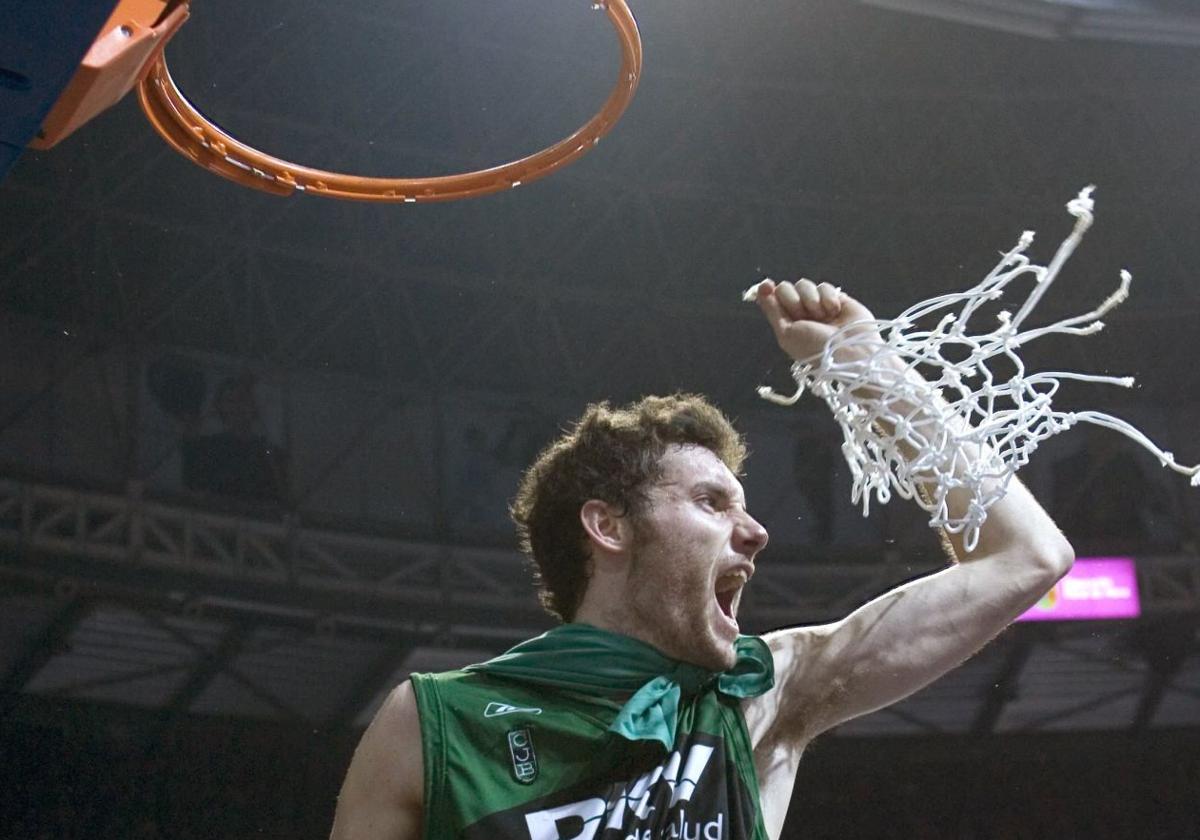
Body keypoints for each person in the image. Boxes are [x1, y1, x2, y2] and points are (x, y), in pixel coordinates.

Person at [329, 281, 1074, 840]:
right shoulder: (432, 722)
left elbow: (1027, 556)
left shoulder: (760, 699)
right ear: (609, 527)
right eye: (713, 504)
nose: (755, 533)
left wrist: (864, 367)